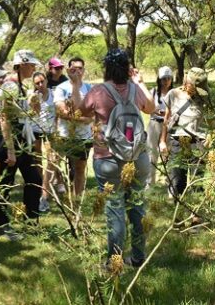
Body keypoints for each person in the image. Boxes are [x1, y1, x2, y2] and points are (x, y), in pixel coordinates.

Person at [67, 48, 155, 268]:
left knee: (114, 209)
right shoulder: (135, 89)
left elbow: (80, 113)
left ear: (107, 68)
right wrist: (140, 81)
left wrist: (77, 85)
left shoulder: (98, 91)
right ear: (127, 69)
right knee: (137, 206)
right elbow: (152, 108)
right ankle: (137, 257)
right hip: (138, 157)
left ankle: (114, 261)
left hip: (108, 159)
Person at [0, 50, 45, 240]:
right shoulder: (10, 87)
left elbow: (27, 116)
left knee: (33, 179)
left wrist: (34, 103)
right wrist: (11, 150)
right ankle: (0, 221)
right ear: (21, 65)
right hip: (11, 140)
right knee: (6, 182)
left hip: (22, 138)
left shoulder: (21, 86)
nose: (33, 68)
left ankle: (31, 221)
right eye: (30, 65)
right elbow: (4, 119)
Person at [159, 68, 210, 221]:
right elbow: (167, 119)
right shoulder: (173, 94)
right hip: (177, 142)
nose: (197, 90)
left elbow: (213, 120)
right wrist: (162, 140)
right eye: (195, 87)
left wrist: (210, 138)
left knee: (196, 182)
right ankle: (178, 217)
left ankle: (196, 219)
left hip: (198, 143)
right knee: (177, 181)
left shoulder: (206, 96)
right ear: (187, 83)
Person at [50, 57, 94, 208]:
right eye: (74, 69)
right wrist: (82, 118)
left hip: (84, 136)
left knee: (80, 168)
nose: (78, 71)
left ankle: (77, 202)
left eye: (80, 68)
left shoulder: (89, 88)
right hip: (65, 134)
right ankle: (52, 194)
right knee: (55, 164)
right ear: (69, 70)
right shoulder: (61, 88)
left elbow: (92, 112)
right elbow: (62, 112)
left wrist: (80, 117)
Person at [30, 72, 56, 212]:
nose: (40, 85)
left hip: (51, 131)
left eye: (42, 81)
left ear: (46, 80)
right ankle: (41, 188)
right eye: (37, 83)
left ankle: (46, 191)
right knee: (38, 159)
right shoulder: (33, 96)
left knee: (51, 160)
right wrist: (33, 102)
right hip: (36, 129)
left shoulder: (54, 94)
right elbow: (34, 114)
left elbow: (58, 112)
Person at [146, 66, 173, 185]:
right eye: (163, 78)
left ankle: (170, 185)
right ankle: (149, 184)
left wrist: (168, 113)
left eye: (168, 78)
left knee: (169, 155)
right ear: (159, 79)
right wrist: (155, 110)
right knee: (151, 154)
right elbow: (145, 107)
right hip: (155, 124)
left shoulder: (175, 93)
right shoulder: (153, 92)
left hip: (169, 125)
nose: (166, 81)